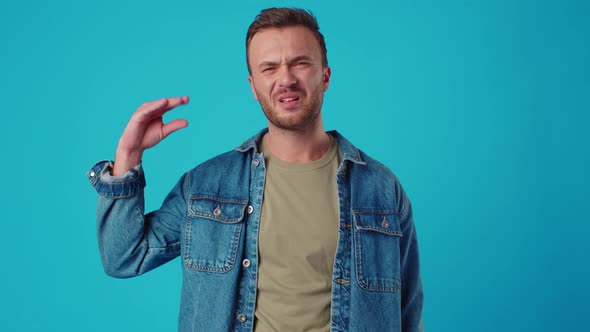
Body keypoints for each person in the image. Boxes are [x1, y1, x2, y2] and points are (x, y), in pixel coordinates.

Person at [87, 7, 423, 332]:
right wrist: (128, 155)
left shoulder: (381, 190)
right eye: (270, 68)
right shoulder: (207, 185)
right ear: (253, 86)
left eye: (300, 63)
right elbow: (123, 257)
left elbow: (407, 314)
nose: (286, 79)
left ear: (325, 76)